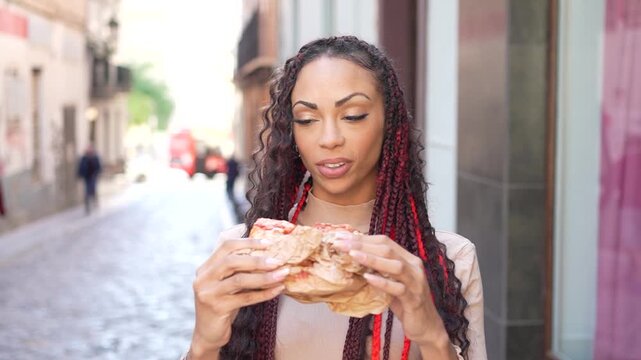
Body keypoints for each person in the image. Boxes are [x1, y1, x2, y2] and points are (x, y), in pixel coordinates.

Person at [185, 36, 487, 360]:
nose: (329, 139)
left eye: (353, 115)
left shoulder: (447, 262)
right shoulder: (246, 256)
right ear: (292, 132)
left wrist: (432, 337)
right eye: (307, 119)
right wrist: (204, 344)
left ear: (390, 124)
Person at [77, 144, 102, 214]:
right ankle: (87, 205)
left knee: (93, 189)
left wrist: (97, 174)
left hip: (93, 176)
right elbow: (80, 166)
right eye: (88, 148)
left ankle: (94, 201)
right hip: (86, 177)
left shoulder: (95, 157)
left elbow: (98, 167)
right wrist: (79, 174)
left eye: (90, 148)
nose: (89, 150)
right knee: (87, 191)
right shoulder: (84, 157)